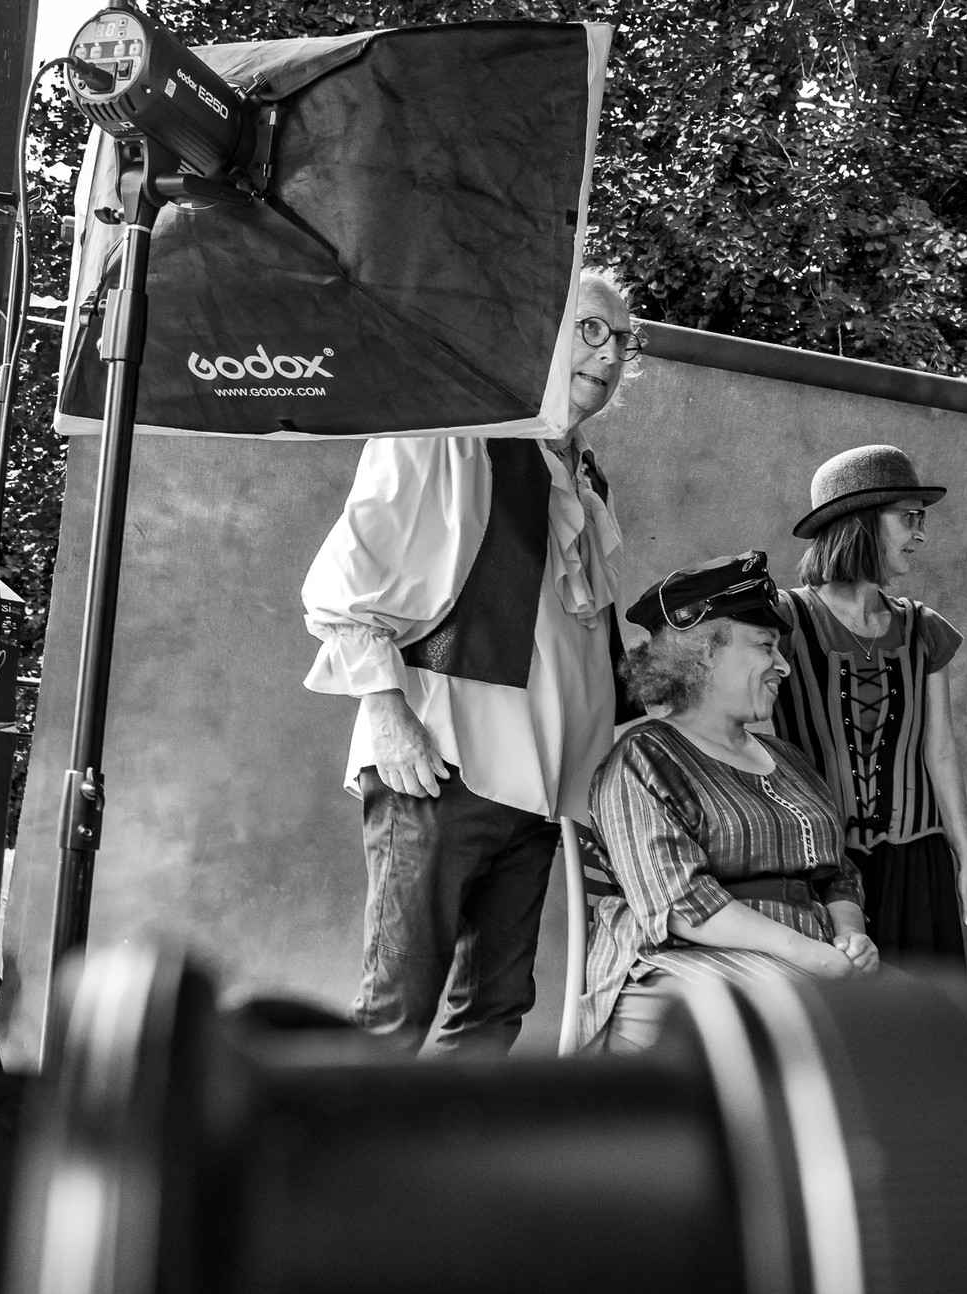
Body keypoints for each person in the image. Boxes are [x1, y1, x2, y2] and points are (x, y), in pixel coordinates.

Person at [302, 269, 641, 1053]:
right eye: (591, 329)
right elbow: (348, 589)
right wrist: (389, 722)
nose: (611, 352)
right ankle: (348, 1172)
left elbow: (572, 631)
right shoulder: (449, 431)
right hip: (441, 769)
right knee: (395, 1013)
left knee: (494, 1013)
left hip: (539, 791)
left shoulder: (581, 475)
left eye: (622, 339)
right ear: (533, 330)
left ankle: (448, 1173)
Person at [582, 552, 877, 1053]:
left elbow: (836, 872)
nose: (782, 665)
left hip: (811, 958)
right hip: (681, 965)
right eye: (765, 646)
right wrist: (814, 957)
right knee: (824, 1031)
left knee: (931, 1028)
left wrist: (850, 936)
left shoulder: (787, 757)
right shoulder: (644, 758)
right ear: (703, 653)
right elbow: (680, 905)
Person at [772, 444, 967, 964]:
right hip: (819, 863)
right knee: (841, 1029)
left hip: (917, 865)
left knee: (921, 1027)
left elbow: (940, 751)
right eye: (909, 518)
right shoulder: (781, 622)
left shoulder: (924, 629)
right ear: (861, 523)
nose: (921, 533)